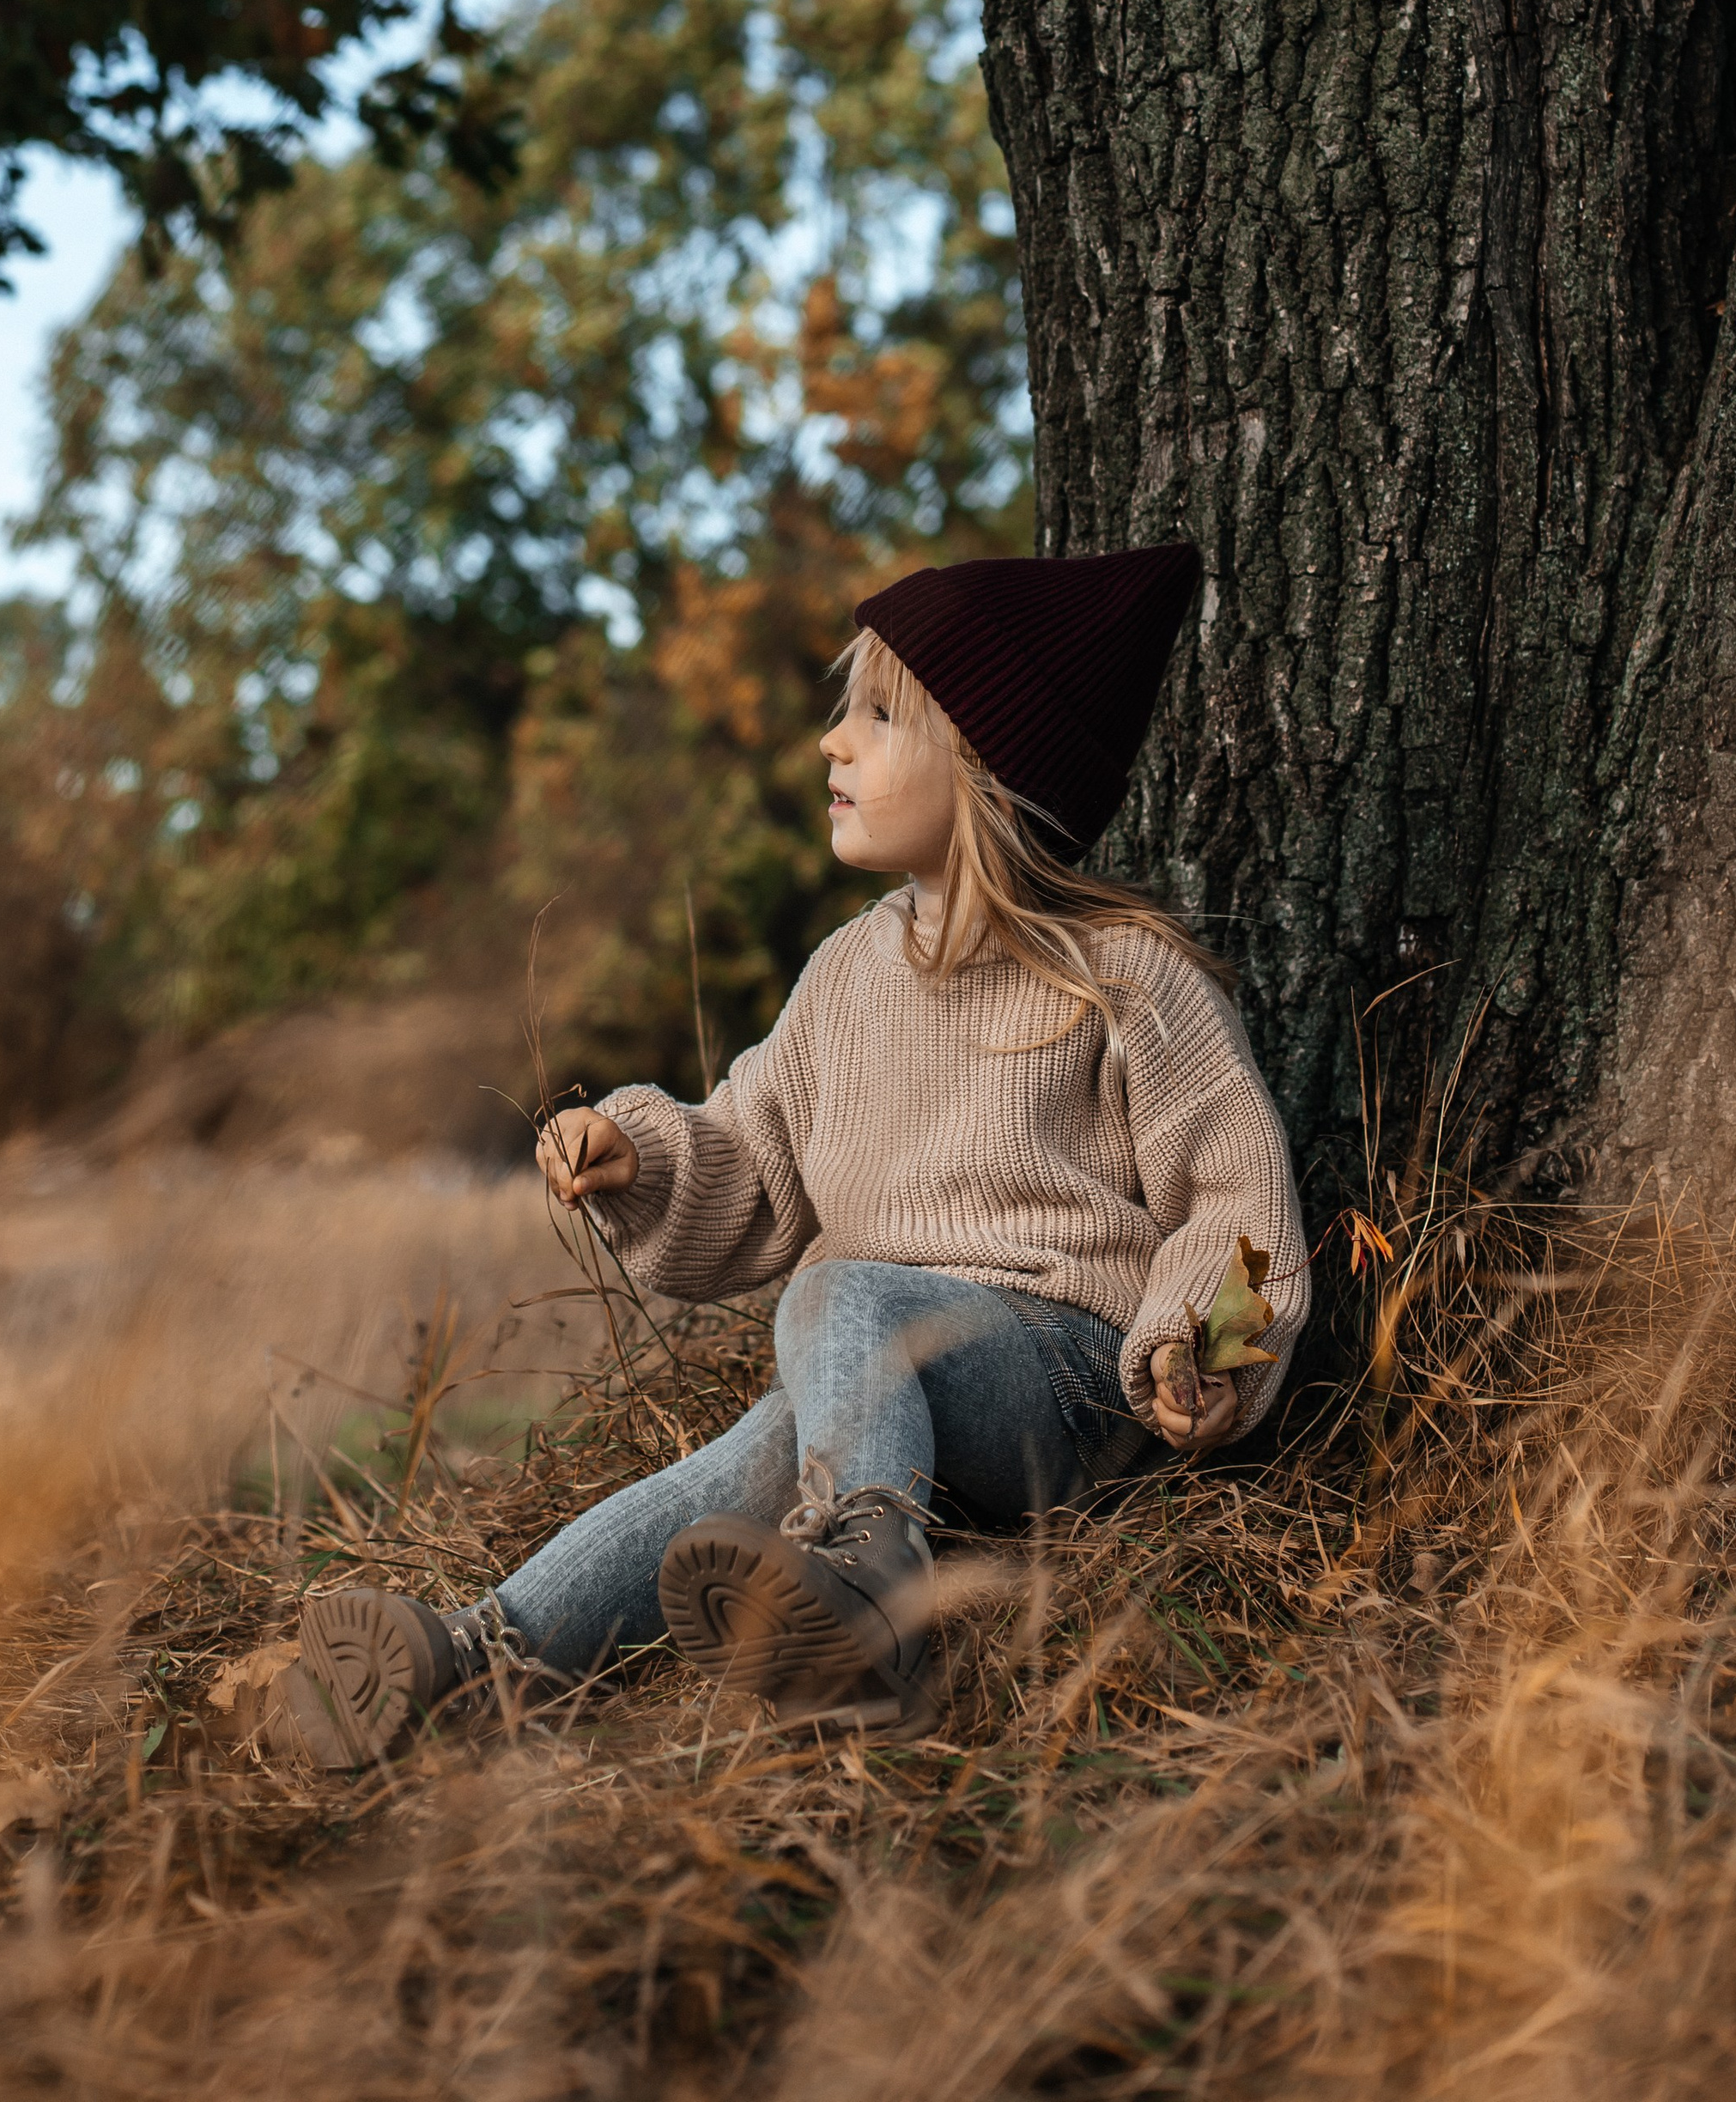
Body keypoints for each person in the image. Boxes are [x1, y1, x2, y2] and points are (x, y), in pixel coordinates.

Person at [278, 544, 1308, 1766]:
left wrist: (1199, 1344)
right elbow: (750, 1159)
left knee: (840, 1294)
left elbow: (1235, 1196)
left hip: (1070, 1385)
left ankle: (874, 1591)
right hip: (884, 1379)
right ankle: (468, 1658)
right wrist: (641, 1155)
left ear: (989, 762)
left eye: (878, 716)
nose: (833, 742)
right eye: (843, 712)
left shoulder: (1123, 975)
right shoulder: (846, 979)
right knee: (750, 1461)